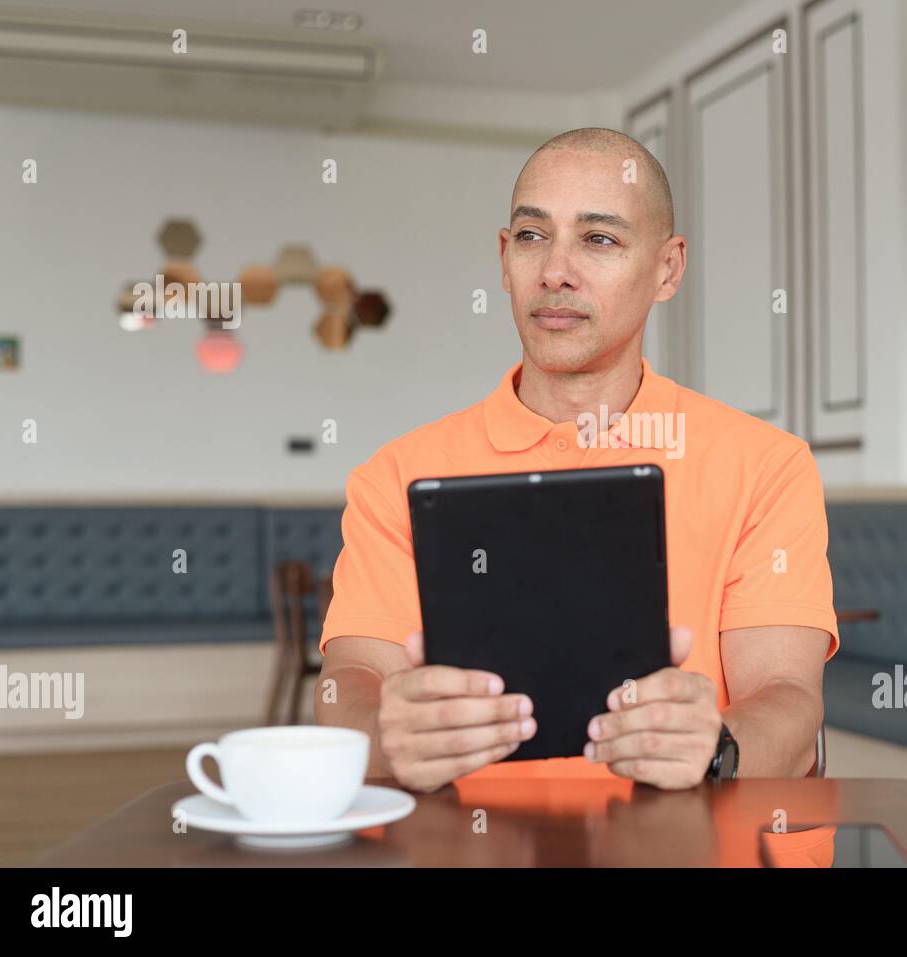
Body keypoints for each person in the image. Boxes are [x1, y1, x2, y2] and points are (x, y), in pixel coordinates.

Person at [316, 127, 839, 795]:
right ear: (504, 258)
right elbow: (345, 683)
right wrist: (387, 732)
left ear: (668, 268)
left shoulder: (767, 465)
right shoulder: (396, 473)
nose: (555, 271)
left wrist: (716, 746)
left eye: (599, 239)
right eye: (533, 236)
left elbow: (789, 696)